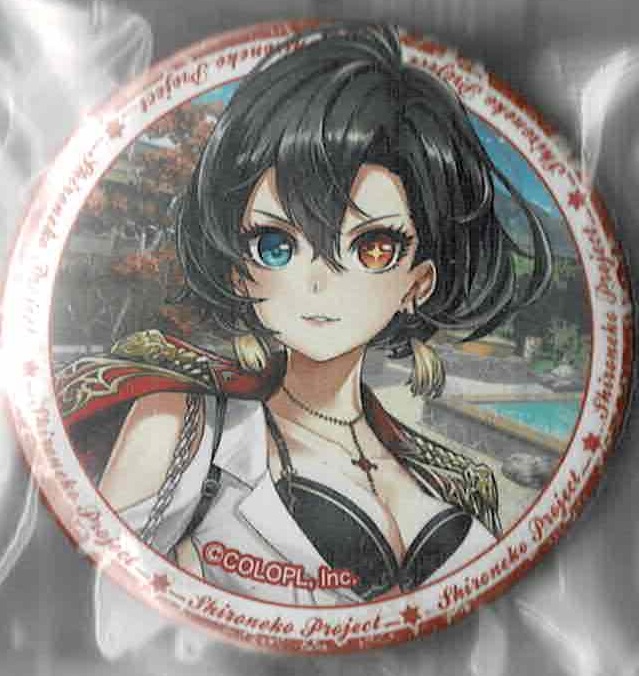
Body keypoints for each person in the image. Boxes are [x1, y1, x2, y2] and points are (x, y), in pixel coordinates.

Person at [56, 23, 552, 605]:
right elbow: (103, 607)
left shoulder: (455, 480)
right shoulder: (184, 430)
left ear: (417, 283)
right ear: (239, 270)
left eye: (373, 248)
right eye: (277, 245)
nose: (320, 280)